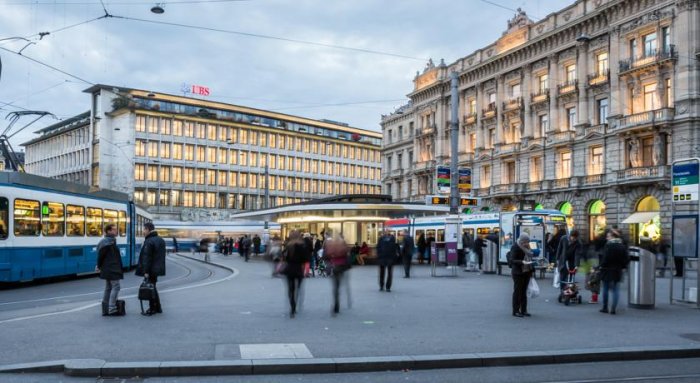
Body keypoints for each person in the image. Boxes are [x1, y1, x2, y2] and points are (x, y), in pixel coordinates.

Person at [135, 222, 166, 316]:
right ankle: (158, 307)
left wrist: (146, 271)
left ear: (148, 229)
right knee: (153, 287)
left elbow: (147, 258)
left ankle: (153, 308)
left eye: (144, 229)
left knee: (150, 289)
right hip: (157, 269)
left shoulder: (149, 241)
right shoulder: (160, 240)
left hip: (151, 269)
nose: (143, 231)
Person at [599, 230, 630, 315]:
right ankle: (613, 308)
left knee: (605, 288)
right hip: (617, 270)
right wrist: (623, 266)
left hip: (607, 269)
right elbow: (627, 259)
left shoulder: (608, 246)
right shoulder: (622, 246)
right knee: (616, 289)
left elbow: (605, 258)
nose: (607, 238)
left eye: (608, 236)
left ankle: (605, 307)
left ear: (613, 237)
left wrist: (601, 266)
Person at [96, 224, 124, 316]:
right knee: (116, 287)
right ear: (109, 231)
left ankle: (105, 309)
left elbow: (101, 257)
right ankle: (111, 308)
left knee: (108, 287)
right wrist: (98, 266)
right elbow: (101, 256)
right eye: (114, 230)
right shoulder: (107, 242)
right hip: (112, 268)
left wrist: (99, 266)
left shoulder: (109, 241)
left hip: (108, 268)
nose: (116, 231)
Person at [283, 230, 311, 318]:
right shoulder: (302, 246)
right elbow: (306, 258)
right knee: (298, 287)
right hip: (299, 269)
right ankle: (297, 299)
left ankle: (292, 305)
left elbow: (285, 257)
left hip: (289, 269)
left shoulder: (288, 245)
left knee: (290, 288)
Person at [324, 233, 350, 314]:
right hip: (341, 267)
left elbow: (326, 255)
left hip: (334, 266)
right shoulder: (343, 244)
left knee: (335, 286)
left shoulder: (331, 245)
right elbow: (347, 255)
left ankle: (336, 303)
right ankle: (337, 302)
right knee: (338, 285)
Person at [510, 233, 533, 317]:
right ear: (522, 241)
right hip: (518, 272)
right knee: (517, 292)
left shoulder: (527, 247)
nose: (527, 244)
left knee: (524, 292)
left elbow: (530, 256)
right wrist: (522, 262)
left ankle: (524, 310)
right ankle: (515, 311)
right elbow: (512, 260)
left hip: (526, 271)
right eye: (526, 242)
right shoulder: (515, 247)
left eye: (528, 242)